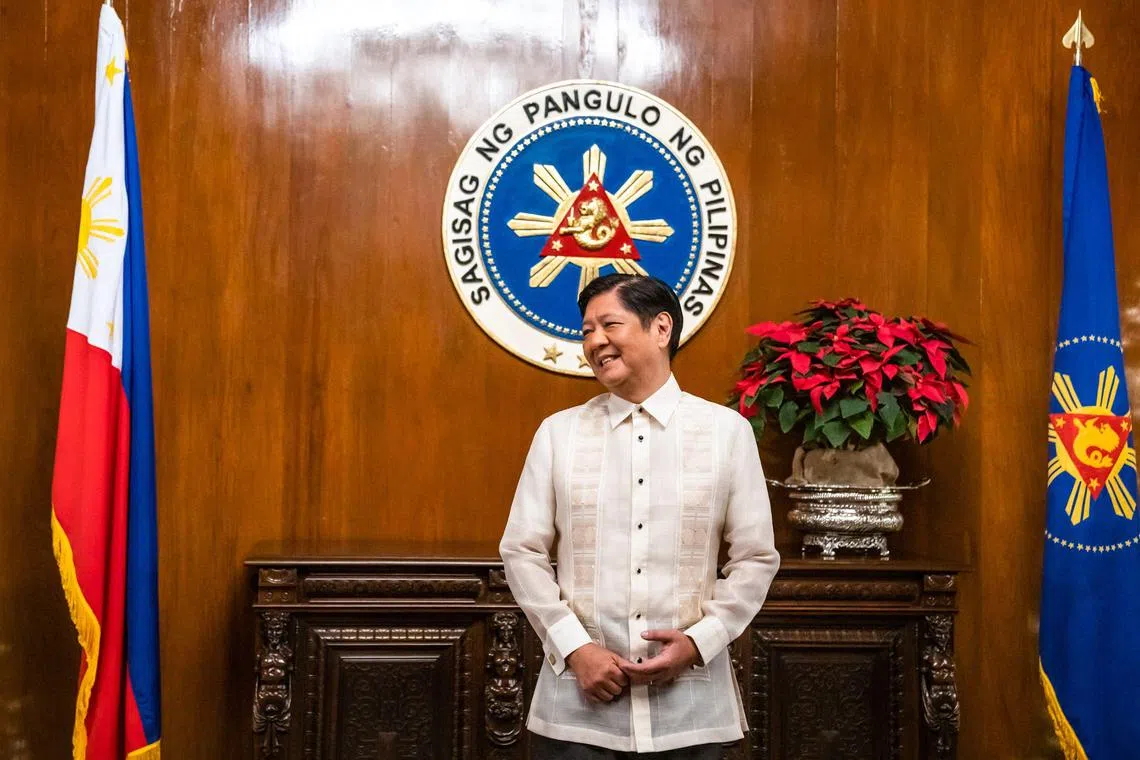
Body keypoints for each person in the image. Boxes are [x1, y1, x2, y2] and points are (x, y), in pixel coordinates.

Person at [499, 273, 780, 759]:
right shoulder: (558, 434)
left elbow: (755, 558)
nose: (595, 341)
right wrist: (576, 648)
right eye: (586, 330)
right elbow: (521, 551)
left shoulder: (726, 432)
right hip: (576, 714)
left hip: (693, 716)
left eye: (609, 324)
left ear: (661, 328)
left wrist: (698, 642)